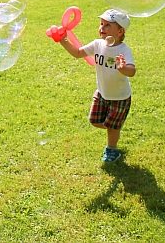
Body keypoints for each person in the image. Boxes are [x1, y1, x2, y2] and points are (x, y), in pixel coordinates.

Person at [54, 9, 136, 163]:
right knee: (94, 120)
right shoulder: (98, 44)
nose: (101, 28)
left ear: (120, 31)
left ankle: (112, 149)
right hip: (102, 92)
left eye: (107, 26)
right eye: (101, 24)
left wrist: (123, 68)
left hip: (119, 96)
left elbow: (132, 71)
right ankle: (115, 128)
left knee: (112, 127)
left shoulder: (123, 50)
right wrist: (63, 41)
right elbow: (78, 53)